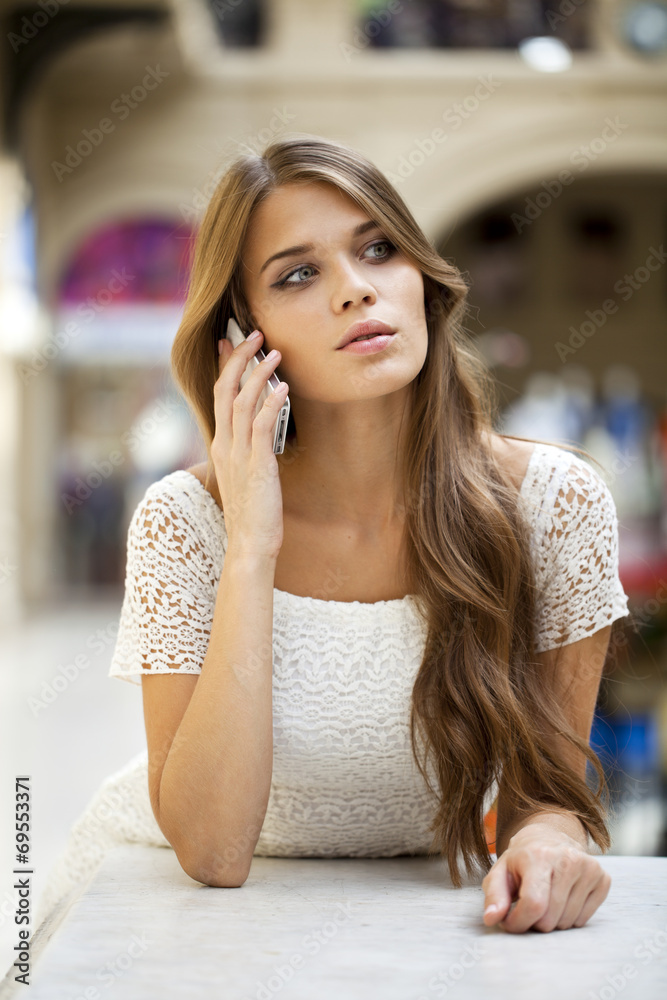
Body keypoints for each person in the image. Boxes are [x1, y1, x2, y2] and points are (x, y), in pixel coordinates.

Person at [35, 133, 633, 939]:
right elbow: (213, 853)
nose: (356, 290)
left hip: (416, 929)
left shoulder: (554, 504)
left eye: (378, 249)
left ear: (421, 276)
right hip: (170, 918)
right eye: (297, 273)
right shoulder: (185, 521)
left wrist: (548, 843)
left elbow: (547, 797)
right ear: (243, 334)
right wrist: (251, 543)